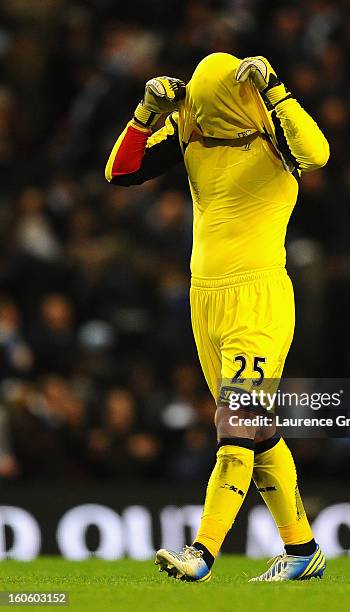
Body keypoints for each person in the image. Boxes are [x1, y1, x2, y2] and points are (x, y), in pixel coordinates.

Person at [106, 53, 329, 582]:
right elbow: (119, 172)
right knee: (257, 431)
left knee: (235, 424)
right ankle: (301, 552)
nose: (203, 114)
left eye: (211, 103)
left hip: (259, 298)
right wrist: (143, 114)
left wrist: (275, 89)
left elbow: (317, 153)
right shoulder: (190, 132)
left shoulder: (275, 135)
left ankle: (202, 553)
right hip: (204, 300)